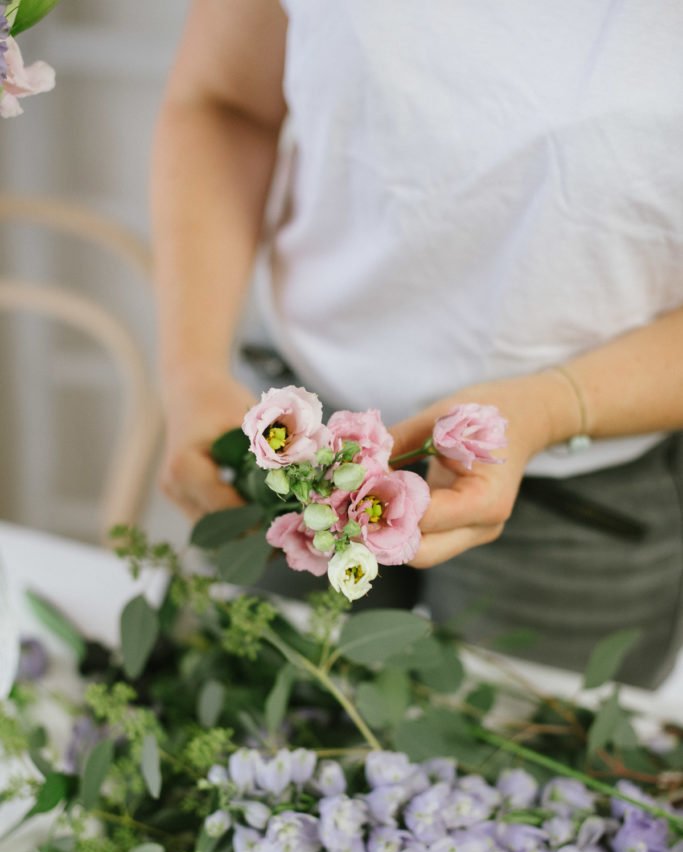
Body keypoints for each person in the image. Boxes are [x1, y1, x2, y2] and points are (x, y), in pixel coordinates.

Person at [151, 0, 683, 687]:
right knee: (272, 721)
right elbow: (225, 103)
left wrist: (553, 405)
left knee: (520, 765)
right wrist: (193, 370)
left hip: (581, 498)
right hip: (294, 429)